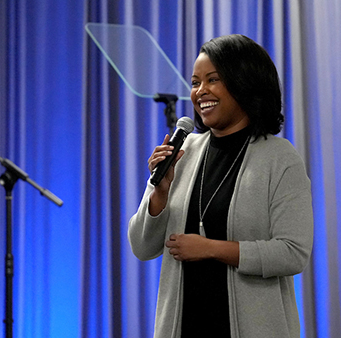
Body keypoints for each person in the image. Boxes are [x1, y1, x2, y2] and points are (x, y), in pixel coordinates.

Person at [128, 34, 313, 338]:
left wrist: (211, 249)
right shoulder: (184, 151)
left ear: (245, 83)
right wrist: (159, 192)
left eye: (213, 80)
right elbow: (142, 247)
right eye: (195, 82)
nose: (200, 92)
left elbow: (293, 253)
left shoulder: (279, 158)